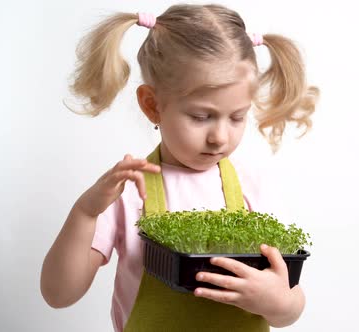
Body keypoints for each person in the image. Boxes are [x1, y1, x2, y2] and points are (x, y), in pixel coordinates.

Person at [40, 3, 319, 331]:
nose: (219, 137)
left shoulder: (254, 189)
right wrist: (86, 213)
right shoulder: (128, 191)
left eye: (237, 117)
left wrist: (278, 302)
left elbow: (290, 307)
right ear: (152, 105)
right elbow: (59, 294)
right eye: (201, 117)